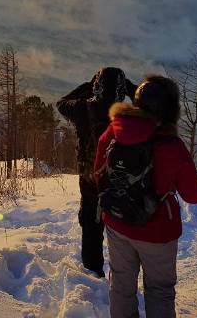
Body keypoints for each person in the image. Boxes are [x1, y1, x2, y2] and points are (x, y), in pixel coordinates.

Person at [94, 76, 197, 318]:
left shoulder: (113, 131)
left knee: (121, 286)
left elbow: (98, 173)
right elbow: (194, 195)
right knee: (159, 290)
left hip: (116, 222)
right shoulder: (171, 145)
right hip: (158, 232)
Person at [56, 67, 136, 277]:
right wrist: (129, 88)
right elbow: (152, 106)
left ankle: (93, 270)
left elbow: (62, 103)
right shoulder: (129, 115)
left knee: (91, 223)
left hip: (90, 178)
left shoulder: (82, 109)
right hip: (120, 180)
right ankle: (122, 276)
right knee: (120, 227)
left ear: (97, 86)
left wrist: (87, 87)